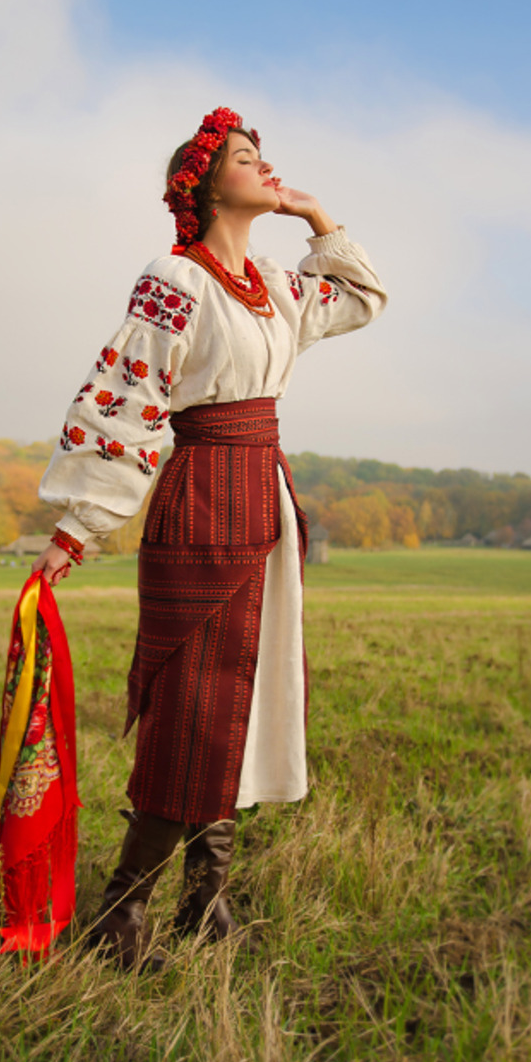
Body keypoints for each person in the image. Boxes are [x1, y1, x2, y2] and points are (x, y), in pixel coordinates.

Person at [32, 107, 387, 968]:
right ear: (202, 186)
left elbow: (362, 299)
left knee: (246, 696)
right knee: (193, 704)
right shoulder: (174, 278)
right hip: (202, 497)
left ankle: (204, 900)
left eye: (264, 156)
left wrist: (316, 215)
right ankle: (120, 916)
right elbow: (127, 396)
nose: (264, 166)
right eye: (243, 158)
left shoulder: (273, 285)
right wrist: (77, 527)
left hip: (264, 494)